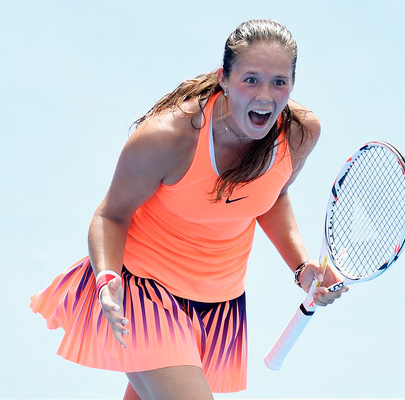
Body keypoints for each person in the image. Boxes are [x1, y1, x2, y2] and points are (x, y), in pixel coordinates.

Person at [30, 19, 348, 400]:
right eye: (251, 79)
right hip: (143, 293)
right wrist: (107, 276)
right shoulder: (169, 137)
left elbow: (271, 196)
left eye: (279, 81)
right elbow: (110, 215)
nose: (266, 94)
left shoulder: (298, 133)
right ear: (224, 80)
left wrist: (302, 267)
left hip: (218, 305)